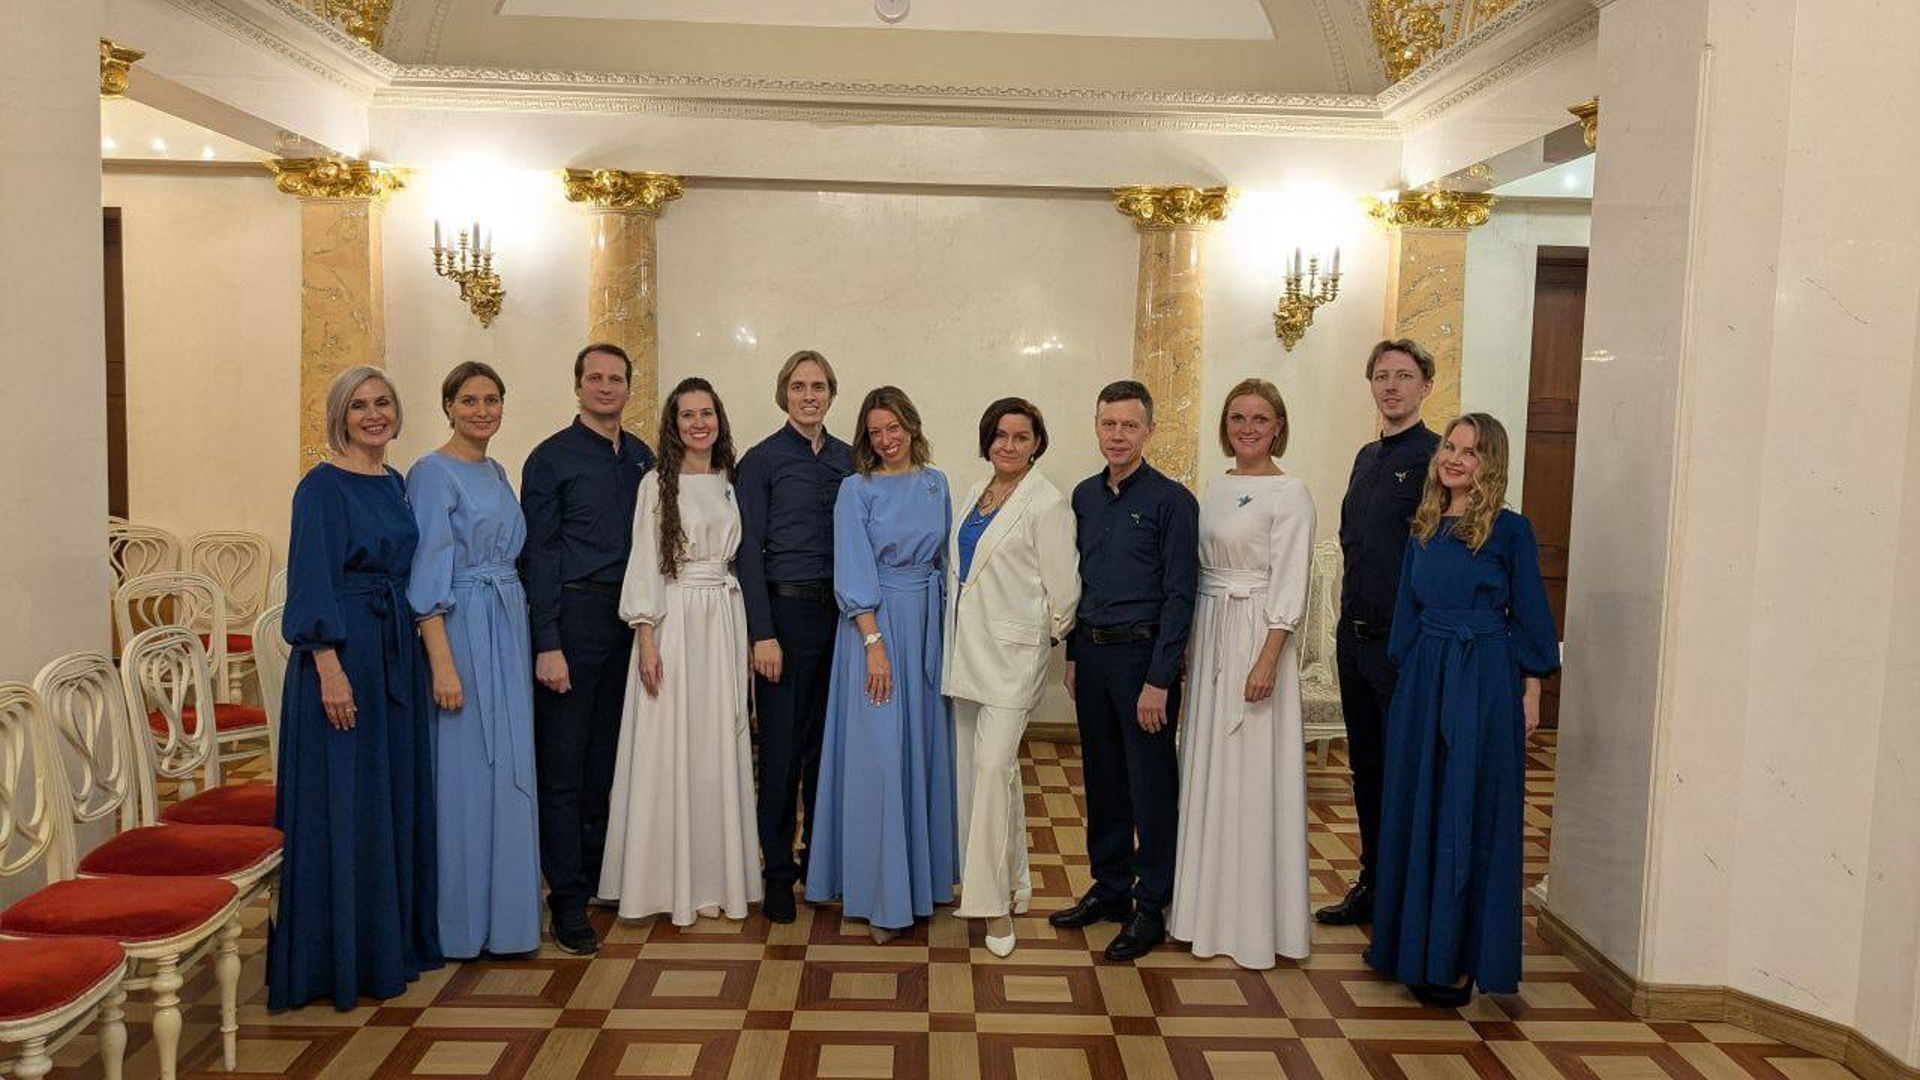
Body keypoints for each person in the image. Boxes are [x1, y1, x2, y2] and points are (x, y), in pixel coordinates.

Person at [1365, 413, 1558, 1006]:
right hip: (1425, 675)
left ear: (1490, 463)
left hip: (1485, 676)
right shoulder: (1424, 526)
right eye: (1449, 446)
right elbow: (1407, 612)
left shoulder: (1510, 530)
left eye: (1470, 452)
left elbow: (1531, 615)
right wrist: (1407, 687)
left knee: (1467, 808)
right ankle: (1411, 948)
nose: (1453, 458)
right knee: (1416, 805)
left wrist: (1531, 692)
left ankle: (1458, 956)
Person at [270, 365, 441, 1010]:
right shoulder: (320, 488)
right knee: (344, 800)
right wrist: (329, 666)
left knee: (386, 796)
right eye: (360, 405)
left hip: (393, 653)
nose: (374, 415)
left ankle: (384, 946)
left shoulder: (394, 483)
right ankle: (336, 960)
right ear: (340, 416)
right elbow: (311, 578)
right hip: (341, 658)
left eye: (383, 403)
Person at [600, 378, 762, 925]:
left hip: (722, 619)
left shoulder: (731, 482)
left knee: (716, 747)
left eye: (706, 413)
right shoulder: (656, 484)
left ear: (719, 420)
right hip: (674, 621)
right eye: (687, 415)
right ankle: (663, 883)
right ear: (673, 425)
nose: (698, 423)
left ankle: (714, 880)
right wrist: (646, 636)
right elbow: (645, 559)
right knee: (672, 745)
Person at [1167, 379, 1316, 969]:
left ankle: (1254, 925)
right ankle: (1201, 914)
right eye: (1237, 418)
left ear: (1279, 426)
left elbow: (1292, 580)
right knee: (1207, 770)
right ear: (1224, 426)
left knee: (1253, 776)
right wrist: (1187, 643)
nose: (1247, 428)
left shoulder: (1291, 493)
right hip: (1210, 633)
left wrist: (1268, 656)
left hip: (1257, 634)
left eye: (1260, 418)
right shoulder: (1214, 486)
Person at [1049, 380, 1198, 964]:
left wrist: (1160, 680)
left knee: (1150, 787)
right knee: (1103, 779)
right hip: (1092, 655)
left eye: (1129, 426)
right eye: (1109, 424)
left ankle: (1150, 905)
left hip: (1144, 661)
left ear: (1149, 431)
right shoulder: (1084, 497)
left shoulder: (1172, 502)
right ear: (1096, 427)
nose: (1118, 435)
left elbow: (1181, 596)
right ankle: (1109, 888)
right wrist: (1072, 655)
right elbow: (1076, 582)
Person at [805, 386, 958, 944]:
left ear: (911, 426)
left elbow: (947, 562)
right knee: (881, 757)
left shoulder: (936, 484)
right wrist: (874, 643)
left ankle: (922, 886)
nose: (887, 440)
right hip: (875, 627)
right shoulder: (857, 489)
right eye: (875, 432)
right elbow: (852, 566)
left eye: (894, 427)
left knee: (922, 750)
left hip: (927, 627)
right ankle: (880, 897)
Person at [520, 343, 656, 954]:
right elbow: (539, 555)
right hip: (572, 620)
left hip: (628, 623)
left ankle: (602, 876)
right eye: (595, 378)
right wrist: (547, 642)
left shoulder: (643, 458)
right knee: (564, 768)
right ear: (578, 387)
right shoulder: (550, 459)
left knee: (608, 760)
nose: (606, 387)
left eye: (616, 379)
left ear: (629, 387)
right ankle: (567, 901)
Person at [407, 361, 540, 960]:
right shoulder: (430, 474)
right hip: (461, 626)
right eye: (469, 400)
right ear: (448, 407)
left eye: (491, 400)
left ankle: (508, 920)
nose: (482, 411)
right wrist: (443, 664)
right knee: (467, 773)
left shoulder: (496, 470)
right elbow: (426, 572)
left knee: (508, 765)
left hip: (507, 622)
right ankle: (461, 924)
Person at [942, 398, 1079, 958]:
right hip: (965, 654)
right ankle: (1016, 883)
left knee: (992, 769)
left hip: (1012, 661)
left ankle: (993, 907)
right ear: (987, 439)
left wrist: (1034, 638)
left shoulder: (1048, 504)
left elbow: (1065, 595)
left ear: (1037, 443)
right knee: (983, 778)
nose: (1009, 445)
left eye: (1021, 437)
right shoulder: (975, 492)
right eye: (1000, 435)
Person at [1318, 340, 1442, 928]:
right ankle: (1373, 882)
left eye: (1404, 376)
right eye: (1382, 376)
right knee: (1366, 768)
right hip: (1355, 640)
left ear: (1426, 386)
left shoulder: (1437, 457)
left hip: (1404, 645)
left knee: (1406, 772)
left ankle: (1408, 895)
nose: (1391, 386)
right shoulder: (1367, 457)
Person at [735, 350, 855, 924]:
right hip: (784, 617)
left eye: (819, 386)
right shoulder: (761, 461)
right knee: (781, 751)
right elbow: (747, 554)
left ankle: (819, 861)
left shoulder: (850, 459)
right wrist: (762, 633)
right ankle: (778, 871)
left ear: (831, 393)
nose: (809, 396)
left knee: (826, 749)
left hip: (841, 620)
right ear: (784, 393)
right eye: (799, 386)